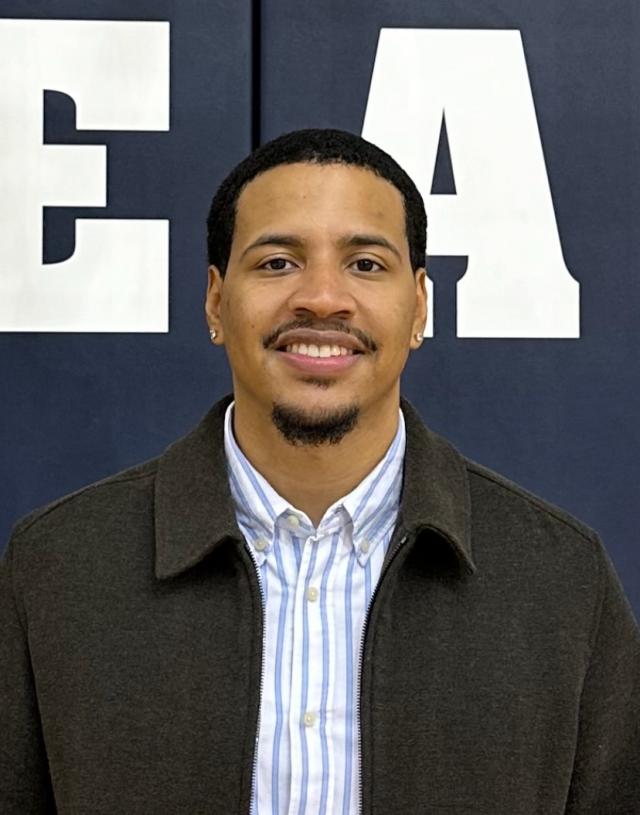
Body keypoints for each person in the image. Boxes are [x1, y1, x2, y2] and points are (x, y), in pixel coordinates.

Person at [1, 128, 638, 815]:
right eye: (277, 263)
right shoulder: (58, 568)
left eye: (365, 264)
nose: (323, 298)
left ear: (420, 305)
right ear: (216, 303)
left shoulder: (562, 583)